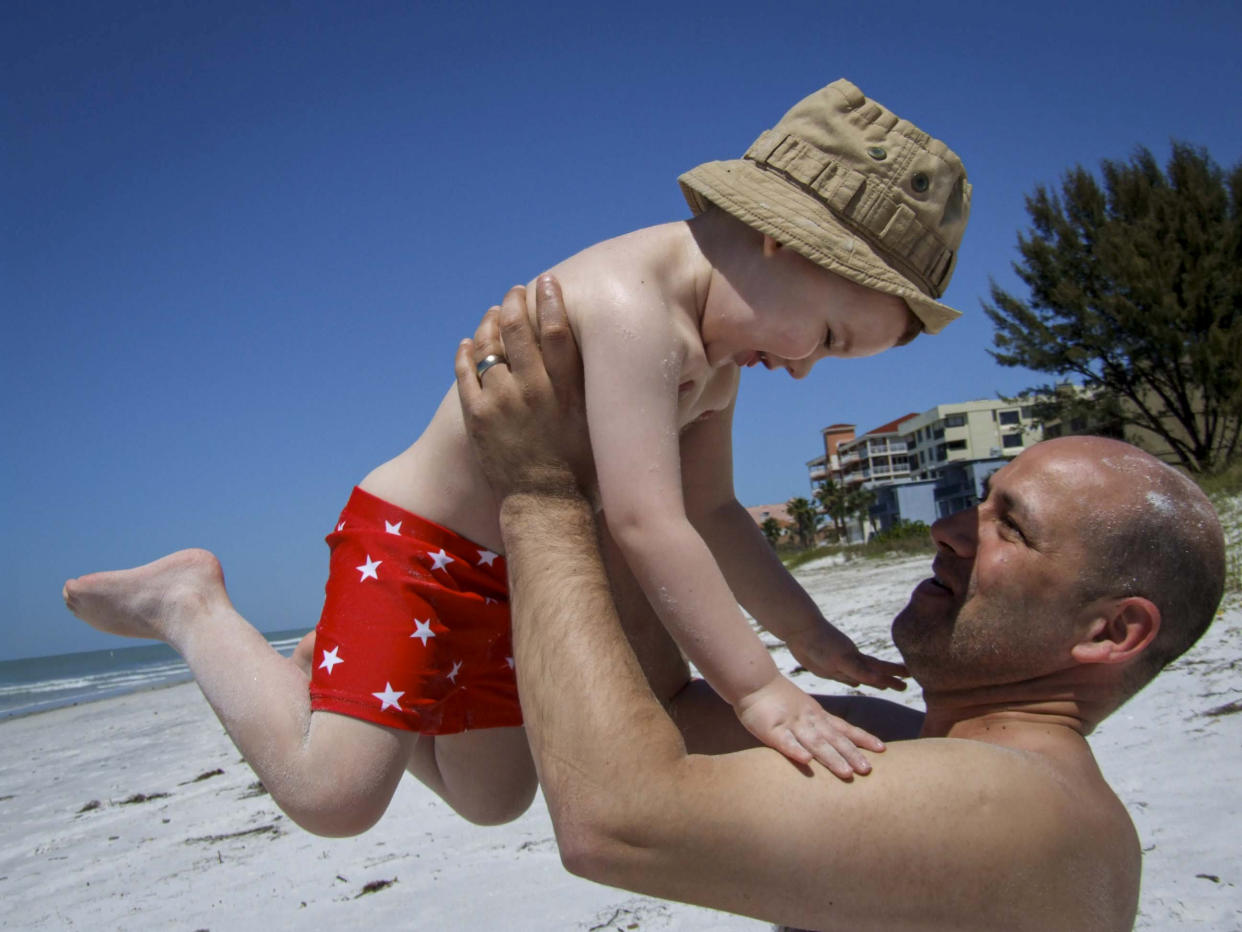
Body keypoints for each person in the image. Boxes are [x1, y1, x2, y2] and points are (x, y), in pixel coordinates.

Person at [61, 79, 970, 836]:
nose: (806, 370)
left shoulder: (716, 359)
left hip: (518, 576)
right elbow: (645, 521)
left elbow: (715, 514)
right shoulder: (629, 303)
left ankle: (328, 674)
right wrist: (762, 691)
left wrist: (810, 639)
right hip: (412, 548)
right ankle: (193, 605)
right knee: (335, 799)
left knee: (494, 799)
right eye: (827, 335)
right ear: (786, 237)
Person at [453, 282, 1227, 931]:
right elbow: (660, 713)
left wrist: (540, 492)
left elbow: (616, 822)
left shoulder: (1038, 812)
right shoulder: (907, 745)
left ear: (1114, 631)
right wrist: (606, 466)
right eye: (978, 504)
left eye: (1010, 528)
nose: (949, 529)